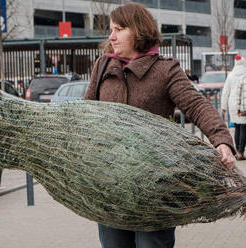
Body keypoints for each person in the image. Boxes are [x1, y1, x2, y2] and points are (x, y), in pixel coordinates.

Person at [84, 3, 235, 248]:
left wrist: (221, 141)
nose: (111, 36)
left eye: (119, 29)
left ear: (139, 31)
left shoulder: (164, 69)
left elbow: (197, 106)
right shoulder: (103, 66)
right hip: (111, 185)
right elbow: (86, 113)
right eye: (111, 30)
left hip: (155, 186)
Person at [221, 55, 246, 160]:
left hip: (232, 105)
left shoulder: (231, 75)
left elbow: (225, 91)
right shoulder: (245, 73)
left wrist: (223, 106)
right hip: (243, 104)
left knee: (237, 128)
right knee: (244, 128)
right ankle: (240, 152)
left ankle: (237, 151)